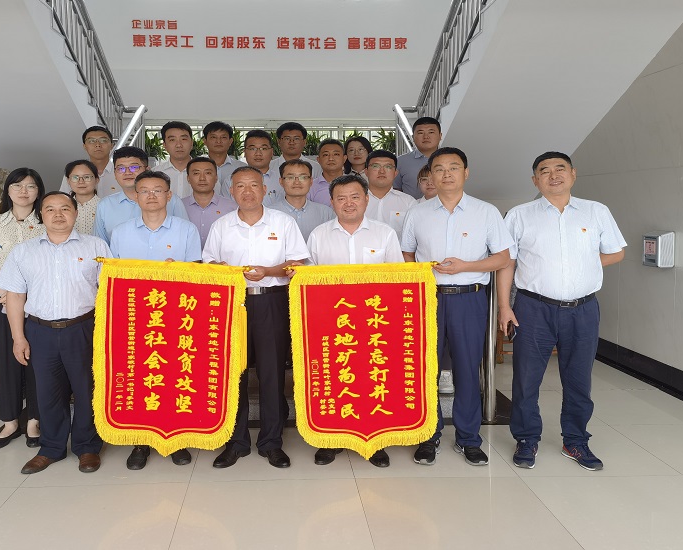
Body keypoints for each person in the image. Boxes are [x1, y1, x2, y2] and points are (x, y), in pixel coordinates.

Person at [498, 151, 626, 471]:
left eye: (560, 169)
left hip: (583, 309)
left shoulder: (596, 212)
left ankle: (576, 440)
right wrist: (504, 306)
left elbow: (616, 252)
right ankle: (526, 438)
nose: (553, 175)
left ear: (573, 174)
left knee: (578, 379)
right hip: (533, 308)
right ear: (535, 180)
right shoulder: (519, 215)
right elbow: (506, 263)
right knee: (526, 379)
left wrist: (581, 267)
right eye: (545, 171)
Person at [401, 147, 514, 467]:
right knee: (425, 369)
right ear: (430, 175)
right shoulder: (417, 213)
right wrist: (420, 275)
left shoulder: (486, 212)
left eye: (454, 167)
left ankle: (468, 438)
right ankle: (428, 435)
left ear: (466, 173)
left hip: (470, 298)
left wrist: (466, 266)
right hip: (428, 299)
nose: (446, 174)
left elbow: (502, 258)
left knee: (467, 369)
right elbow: (407, 253)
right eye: (439, 169)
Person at [0, 191, 111, 475]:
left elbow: (110, 292)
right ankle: (51, 448)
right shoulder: (23, 251)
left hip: (83, 328)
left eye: (65, 209)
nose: (58, 214)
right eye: (50, 209)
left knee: (86, 390)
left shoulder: (96, 246)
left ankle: (87, 446)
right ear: (41, 215)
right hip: (40, 330)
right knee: (48, 392)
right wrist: (18, 338)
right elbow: (15, 296)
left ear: (75, 213)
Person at [202, 166, 309, 469]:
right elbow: (208, 263)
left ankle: (271, 442)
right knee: (232, 373)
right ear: (231, 192)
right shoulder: (221, 225)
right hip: (232, 304)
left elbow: (296, 264)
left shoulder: (283, 222)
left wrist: (268, 271)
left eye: (253, 185)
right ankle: (236, 443)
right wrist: (220, 268)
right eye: (240, 186)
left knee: (271, 372)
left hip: (271, 301)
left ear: (265, 189)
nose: (247, 192)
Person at [306, 174, 404, 468]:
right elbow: (307, 283)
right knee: (333, 380)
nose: (348, 203)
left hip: (374, 325)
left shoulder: (385, 234)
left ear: (366, 199)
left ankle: (375, 442)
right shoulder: (318, 235)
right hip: (331, 325)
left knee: (373, 379)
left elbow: (397, 279)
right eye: (341, 198)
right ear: (332, 202)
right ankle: (331, 439)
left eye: (355, 197)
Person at [109, 170, 202, 470]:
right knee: (139, 376)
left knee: (175, 375)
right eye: (145, 191)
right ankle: (141, 441)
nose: (151, 196)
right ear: (135, 196)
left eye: (158, 190)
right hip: (135, 317)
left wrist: (180, 271)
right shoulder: (121, 232)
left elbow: (197, 274)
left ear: (169, 195)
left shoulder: (186, 230)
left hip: (176, 316)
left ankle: (177, 439)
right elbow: (112, 277)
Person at [0, 168, 46, 450]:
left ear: (38, 191)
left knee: (38, 363)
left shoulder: (46, 222)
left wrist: (26, 296)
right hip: (0, 301)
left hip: (38, 303)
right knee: (4, 361)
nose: (23, 191)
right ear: (8, 190)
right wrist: (7, 294)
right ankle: (9, 422)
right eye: (17, 186)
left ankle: (34, 420)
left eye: (30, 186)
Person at [94, 146, 189, 243]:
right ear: (115, 174)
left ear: (147, 170)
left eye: (134, 167)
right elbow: (99, 245)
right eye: (121, 168)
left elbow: (184, 236)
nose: (127, 172)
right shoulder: (105, 205)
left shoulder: (171, 200)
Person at [267, 159, 335, 241]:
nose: (297, 182)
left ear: (311, 181)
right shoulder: (268, 214)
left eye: (303, 177)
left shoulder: (326, 213)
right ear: (281, 181)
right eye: (290, 177)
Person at [181, 156, 237, 248]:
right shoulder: (179, 206)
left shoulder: (232, 207)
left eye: (208, 173)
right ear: (188, 178)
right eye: (196, 173)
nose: (202, 178)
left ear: (216, 178)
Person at [364, 150, 417, 240]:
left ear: (395, 173)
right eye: (375, 166)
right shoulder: (354, 200)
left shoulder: (409, 202)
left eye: (388, 167)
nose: (382, 171)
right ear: (366, 172)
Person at [155, 121, 215, 199]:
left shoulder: (209, 173)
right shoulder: (155, 173)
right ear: (165, 145)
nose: (179, 145)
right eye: (172, 140)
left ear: (191, 143)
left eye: (183, 139)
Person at [60, 126, 120, 197]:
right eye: (91, 141)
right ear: (84, 146)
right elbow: (63, 198)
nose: (98, 145)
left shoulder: (122, 171)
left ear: (112, 145)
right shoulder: (73, 172)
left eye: (103, 140)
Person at [394, 117, 442, 199]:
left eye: (431, 132)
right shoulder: (400, 161)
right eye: (420, 133)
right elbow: (396, 190)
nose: (426, 136)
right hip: (411, 206)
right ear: (413, 137)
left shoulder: (450, 160)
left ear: (440, 136)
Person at [202, 121, 246, 195]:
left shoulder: (242, 168)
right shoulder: (195, 167)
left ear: (230, 141)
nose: (218, 141)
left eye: (223, 137)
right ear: (205, 141)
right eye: (213, 137)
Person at [242, 130, 282, 205]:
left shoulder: (282, 180)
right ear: (244, 152)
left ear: (272, 152)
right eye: (252, 149)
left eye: (263, 149)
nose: (258, 153)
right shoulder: (231, 181)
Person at [307, 138, 346, 207]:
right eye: (326, 155)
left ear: (344, 158)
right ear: (318, 160)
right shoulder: (310, 187)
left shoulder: (356, 184)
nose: (331, 158)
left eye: (336, 154)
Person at [65, 160, 100, 235]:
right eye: (75, 177)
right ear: (68, 181)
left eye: (86, 177)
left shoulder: (105, 206)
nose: (81, 181)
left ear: (97, 180)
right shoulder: (63, 208)